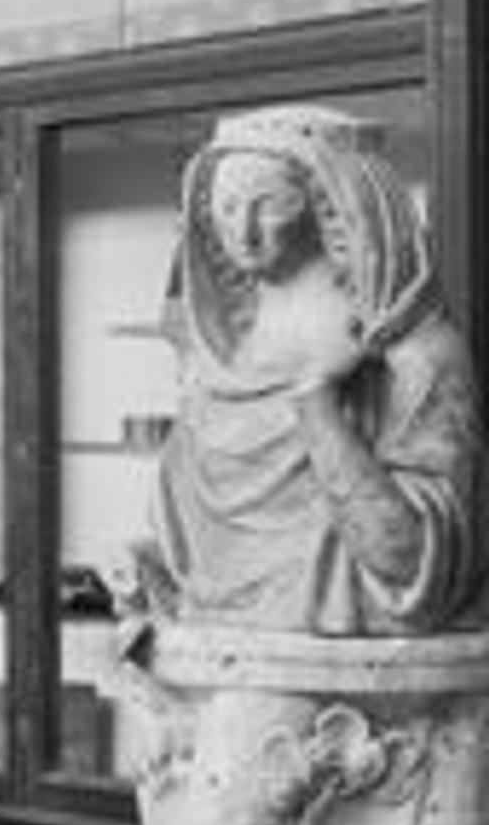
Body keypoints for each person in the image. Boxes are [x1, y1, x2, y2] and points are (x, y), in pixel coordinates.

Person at [143, 104, 481, 635]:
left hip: (347, 684)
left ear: (333, 205)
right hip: (215, 653)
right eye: (227, 208)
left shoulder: (411, 356)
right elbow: (196, 545)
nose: (244, 233)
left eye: (268, 206)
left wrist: (318, 402)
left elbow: (409, 559)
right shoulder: (217, 365)